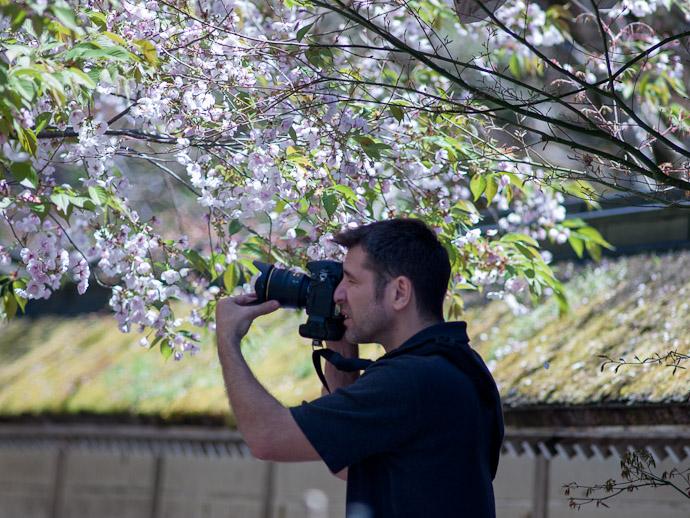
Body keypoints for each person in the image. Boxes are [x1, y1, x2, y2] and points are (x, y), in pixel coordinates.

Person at [215, 218, 504, 518]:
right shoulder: (457, 364)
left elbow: (267, 437)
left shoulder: (409, 379)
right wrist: (338, 338)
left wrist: (227, 338)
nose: (339, 295)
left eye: (351, 281)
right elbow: (346, 460)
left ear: (399, 293)